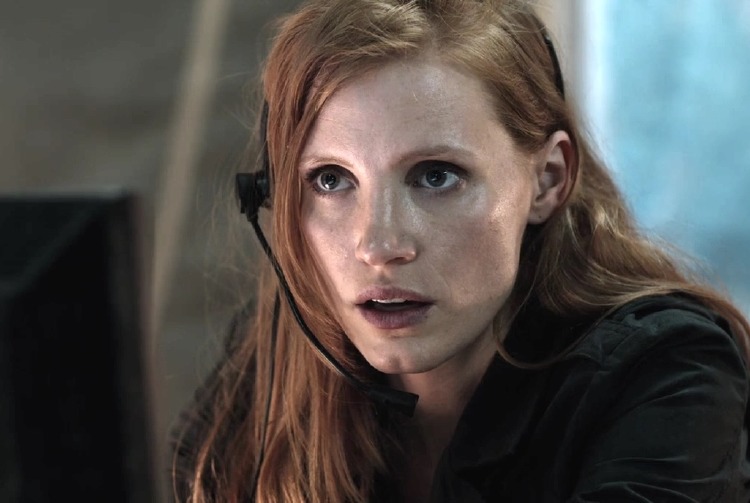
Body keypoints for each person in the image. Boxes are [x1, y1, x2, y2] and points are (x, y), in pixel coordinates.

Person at [170, 0, 750, 501]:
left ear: (547, 180)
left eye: (436, 176)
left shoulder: (668, 369)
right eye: (330, 180)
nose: (379, 246)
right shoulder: (281, 356)